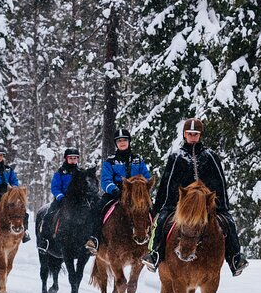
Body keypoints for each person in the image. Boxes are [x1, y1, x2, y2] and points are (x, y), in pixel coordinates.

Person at [141, 118, 249, 276]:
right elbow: (168, 183)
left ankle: (234, 258)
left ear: (200, 135)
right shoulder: (176, 157)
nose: (192, 137)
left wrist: (221, 205)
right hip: (181, 205)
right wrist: (162, 206)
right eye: (190, 134)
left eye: (196, 134)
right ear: (185, 135)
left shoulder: (210, 156)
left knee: (228, 223)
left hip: (207, 205)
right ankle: (156, 254)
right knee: (162, 221)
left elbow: (219, 182)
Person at [85, 129, 151, 254]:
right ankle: (94, 238)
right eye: (119, 141)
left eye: (124, 140)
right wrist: (114, 190)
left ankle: (153, 243)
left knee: (151, 211)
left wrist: (142, 188)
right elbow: (105, 180)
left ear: (129, 142)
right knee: (97, 209)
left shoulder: (138, 159)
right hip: (115, 193)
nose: (122, 143)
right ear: (116, 143)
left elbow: (146, 177)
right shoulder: (110, 161)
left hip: (136, 195)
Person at [38, 147, 81, 242]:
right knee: (49, 214)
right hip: (62, 200)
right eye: (71, 158)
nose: (73, 160)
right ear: (66, 158)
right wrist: (60, 197)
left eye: (75, 158)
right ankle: (44, 240)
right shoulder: (60, 172)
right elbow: (55, 187)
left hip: (78, 201)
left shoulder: (81, 172)